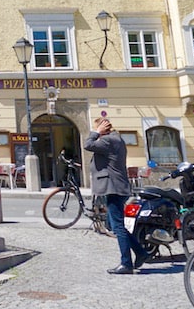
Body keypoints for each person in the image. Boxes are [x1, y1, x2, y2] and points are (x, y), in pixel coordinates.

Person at [84, 116, 149, 274]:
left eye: (98, 128)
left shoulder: (109, 141)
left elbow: (88, 144)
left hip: (113, 187)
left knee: (118, 226)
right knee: (115, 225)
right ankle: (140, 253)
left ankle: (126, 263)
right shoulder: (116, 139)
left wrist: (95, 132)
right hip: (116, 186)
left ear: (103, 128)